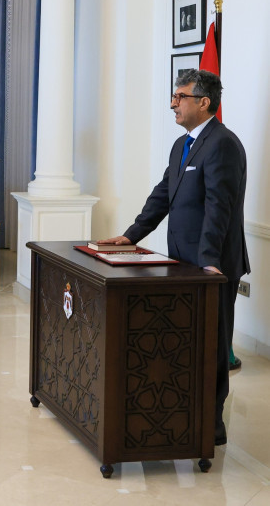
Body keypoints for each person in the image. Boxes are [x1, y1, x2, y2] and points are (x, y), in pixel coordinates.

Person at [97, 69, 248, 446]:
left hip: (212, 266)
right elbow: (163, 193)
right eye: (174, 96)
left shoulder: (223, 144)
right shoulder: (183, 144)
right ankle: (184, 414)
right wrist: (131, 235)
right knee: (186, 340)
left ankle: (212, 424)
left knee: (212, 345)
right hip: (182, 263)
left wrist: (209, 261)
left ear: (204, 102)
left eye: (180, 97)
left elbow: (219, 207)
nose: (172, 104)